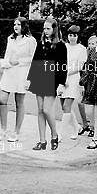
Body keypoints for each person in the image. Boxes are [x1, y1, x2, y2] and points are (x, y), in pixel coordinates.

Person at [27, 17, 67, 151]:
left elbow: (63, 66)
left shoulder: (61, 45)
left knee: (46, 109)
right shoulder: (41, 43)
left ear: (55, 29)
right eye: (44, 28)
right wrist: (29, 79)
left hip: (53, 79)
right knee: (39, 110)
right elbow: (35, 61)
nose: (45, 30)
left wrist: (61, 83)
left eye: (48, 28)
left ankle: (54, 134)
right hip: (39, 78)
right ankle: (42, 141)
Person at [0, 16, 36, 142]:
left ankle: (16, 132)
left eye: (18, 24)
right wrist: (8, 63)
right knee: (2, 99)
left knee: (19, 102)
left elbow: (33, 59)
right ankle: (3, 130)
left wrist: (18, 62)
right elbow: (7, 55)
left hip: (22, 74)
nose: (16, 26)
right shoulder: (10, 38)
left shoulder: (30, 40)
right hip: (9, 73)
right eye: (15, 24)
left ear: (24, 26)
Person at [59, 25, 87, 140]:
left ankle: (59, 134)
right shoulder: (63, 47)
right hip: (62, 80)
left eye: (74, 35)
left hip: (73, 79)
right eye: (70, 35)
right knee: (64, 108)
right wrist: (61, 76)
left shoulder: (81, 49)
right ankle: (77, 127)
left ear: (78, 36)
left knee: (67, 106)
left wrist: (67, 73)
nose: (72, 38)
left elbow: (80, 66)